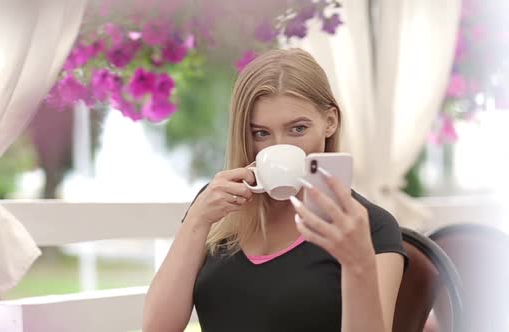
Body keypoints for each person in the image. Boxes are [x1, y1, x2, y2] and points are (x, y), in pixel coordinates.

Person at [143, 48, 407, 332]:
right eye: (261, 133)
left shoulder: (372, 227)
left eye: (298, 129)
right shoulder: (218, 208)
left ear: (329, 122)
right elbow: (158, 328)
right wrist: (196, 220)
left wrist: (358, 265)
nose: (279, 147)